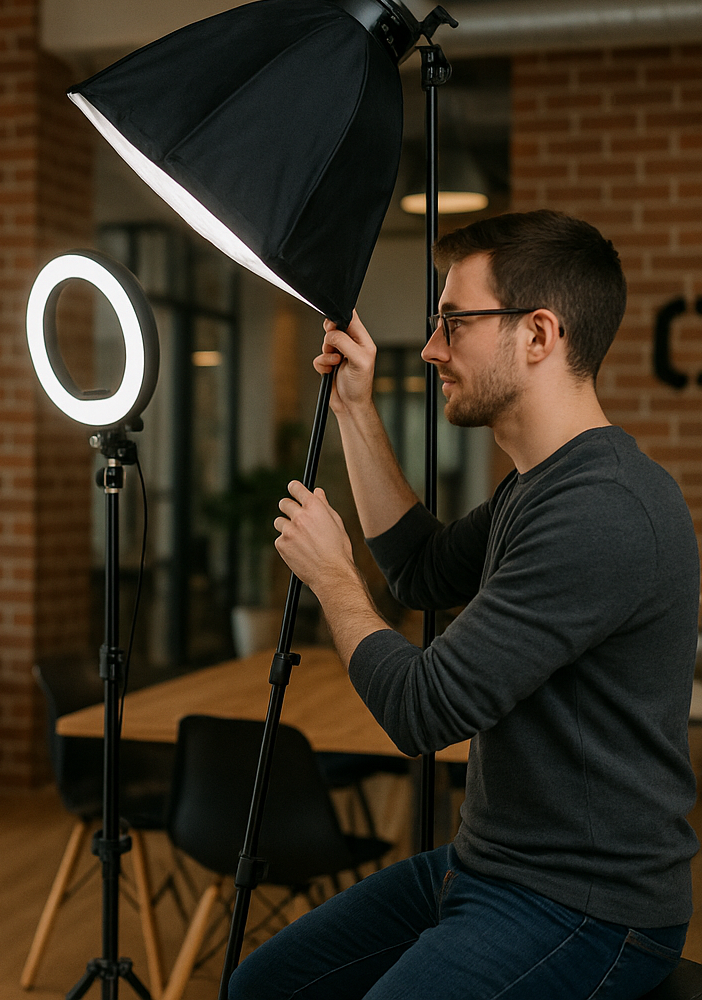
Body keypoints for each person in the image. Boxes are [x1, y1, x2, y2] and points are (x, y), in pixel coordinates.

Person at [231, 210, 699, 1000]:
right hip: (486, 866)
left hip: (583, 907)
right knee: (262, 988)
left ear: (539, 335)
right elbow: (420, 568)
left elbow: (424, 711)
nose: (432, 348)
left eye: (455, 321)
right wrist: (353, 407)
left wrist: (335, 579)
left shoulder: (603, 510)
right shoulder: (540, 486)